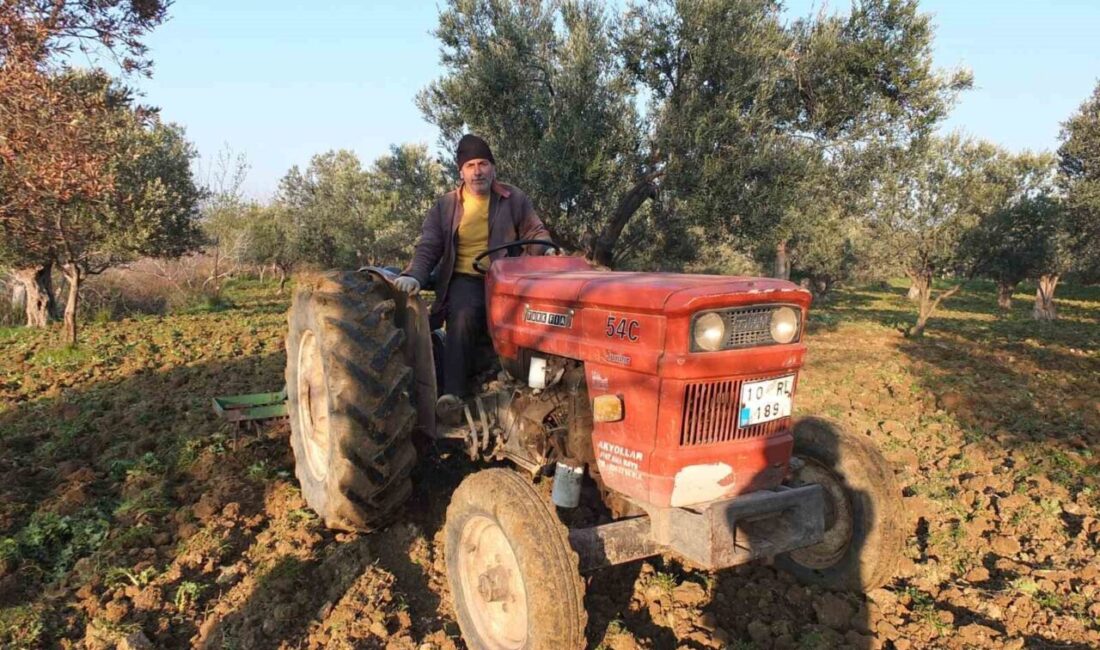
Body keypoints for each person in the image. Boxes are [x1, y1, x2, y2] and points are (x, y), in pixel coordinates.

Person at [394, 134, 553, 420]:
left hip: (507, 282)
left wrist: (546, 251)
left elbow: (535, 232)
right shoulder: (445, 206)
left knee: (541, 318)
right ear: (461, 172)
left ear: (493, 168)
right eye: (470, 165)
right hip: (466, 277)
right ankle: (452, 395)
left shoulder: (513, 198)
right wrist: (415, 275)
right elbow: (429, 245)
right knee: (464, 314)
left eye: (483, 163)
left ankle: (537, 386)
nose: (477, 171)